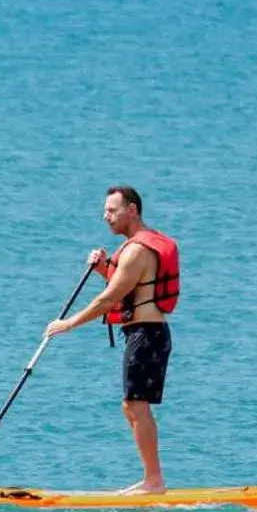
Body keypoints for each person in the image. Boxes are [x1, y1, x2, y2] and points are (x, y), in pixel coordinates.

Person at [43, 186, 181, 494]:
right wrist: (105, 268)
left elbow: (108, 300)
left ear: (132, 210)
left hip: (147, 335)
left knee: (136, 405)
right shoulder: (136, 249)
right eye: (105, 211)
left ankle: (154, 482)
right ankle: (152, 478)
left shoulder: (135, 251)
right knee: (131, 406)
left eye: (112, 211)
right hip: (145, 334)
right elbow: (130, 287)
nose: (106, 217)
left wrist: (68, 324)